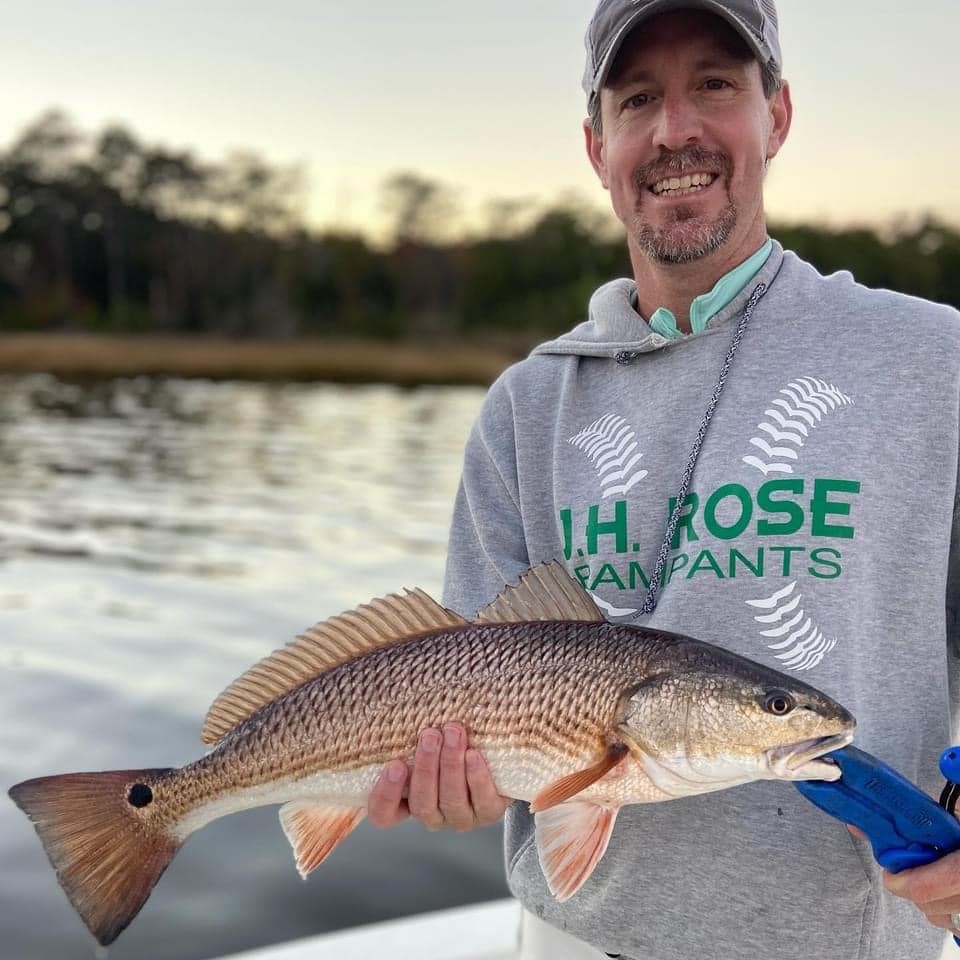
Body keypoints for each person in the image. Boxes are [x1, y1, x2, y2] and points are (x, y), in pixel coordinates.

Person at [368, 2, 960, 957]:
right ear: (597, 145)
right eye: (638, 97)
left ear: (779, 113)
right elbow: (459, 684)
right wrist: (448, 781)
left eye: (716, 84)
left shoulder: (937, 359)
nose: (675, 129)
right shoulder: (527, 404)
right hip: (562, 937)